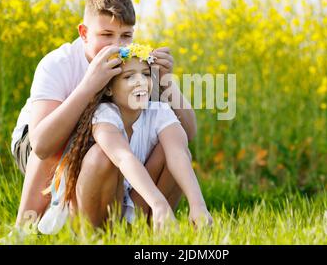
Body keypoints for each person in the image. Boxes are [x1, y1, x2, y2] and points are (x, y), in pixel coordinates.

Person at [10, 0, 200, 232]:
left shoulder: (135, 67)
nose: (116, 45)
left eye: (126, 36)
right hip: (41, 144)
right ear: (84, 33)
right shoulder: (58, 64)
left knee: (169, 145)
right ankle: (25, 227)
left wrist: (165, 81)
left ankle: (140, 227)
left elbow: (188, 133)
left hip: (109, 141)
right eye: (106, 34)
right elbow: (42, 145)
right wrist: (89, 85)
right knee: (82, 145)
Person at [37, 45, 212, 234]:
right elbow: (123, 158)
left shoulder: (159, 111)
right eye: (129, 77)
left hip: (135, 204)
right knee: (100, 156)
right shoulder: (104, 115)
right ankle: (96, 235)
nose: (141, 82)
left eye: (145, 74)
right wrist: (158, 202)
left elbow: (178, 154)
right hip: (96, 209)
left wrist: (198, 204)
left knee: (177, 150)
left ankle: (149, 230)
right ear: (110, 89)